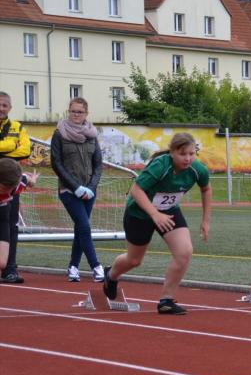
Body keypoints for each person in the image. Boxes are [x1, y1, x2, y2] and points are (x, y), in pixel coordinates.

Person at [103, 133, 211, 315]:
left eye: (191, 154)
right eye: (182, 154)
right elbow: (135, 190)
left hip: (169, 211)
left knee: (184, 252)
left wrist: (206, 220)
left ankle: (166, 301)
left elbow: (206, 189)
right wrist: (154, 214)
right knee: (134, 260)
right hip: (140, 213)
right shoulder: (160, 165)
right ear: (172, 152)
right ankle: (111, 275)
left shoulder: (197, 169)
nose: (187, 158)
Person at [50, 98, 105, 282]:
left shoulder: (92, 135)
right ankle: (96, 267)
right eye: (73, 111)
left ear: (86, 114)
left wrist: (91, 188)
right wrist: (76, 187)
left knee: (80, 229)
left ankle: (73, 267)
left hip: (89, 191)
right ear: (69, 111)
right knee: (84, 227)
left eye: (80, 112)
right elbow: (56, 164)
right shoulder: (59, 133)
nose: (76, 114)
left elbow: (98, 165)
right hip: (68, 191)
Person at [0, 92, 31, 283]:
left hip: (10, 183)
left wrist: (5, 153)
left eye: (4, 105)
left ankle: (9, 268)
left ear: (10, 108)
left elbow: (25, 150)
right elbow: (16, 148)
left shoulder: (17, 127)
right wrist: (10, 145)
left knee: (11, 226)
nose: (1, 108)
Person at [0, 159, 37, 276]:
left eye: (11, 188)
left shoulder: (17, 184)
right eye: (5, 188)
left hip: (2, 215)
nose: (8, 191)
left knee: (2, 263)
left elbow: (26, 179)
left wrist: (32, 181)